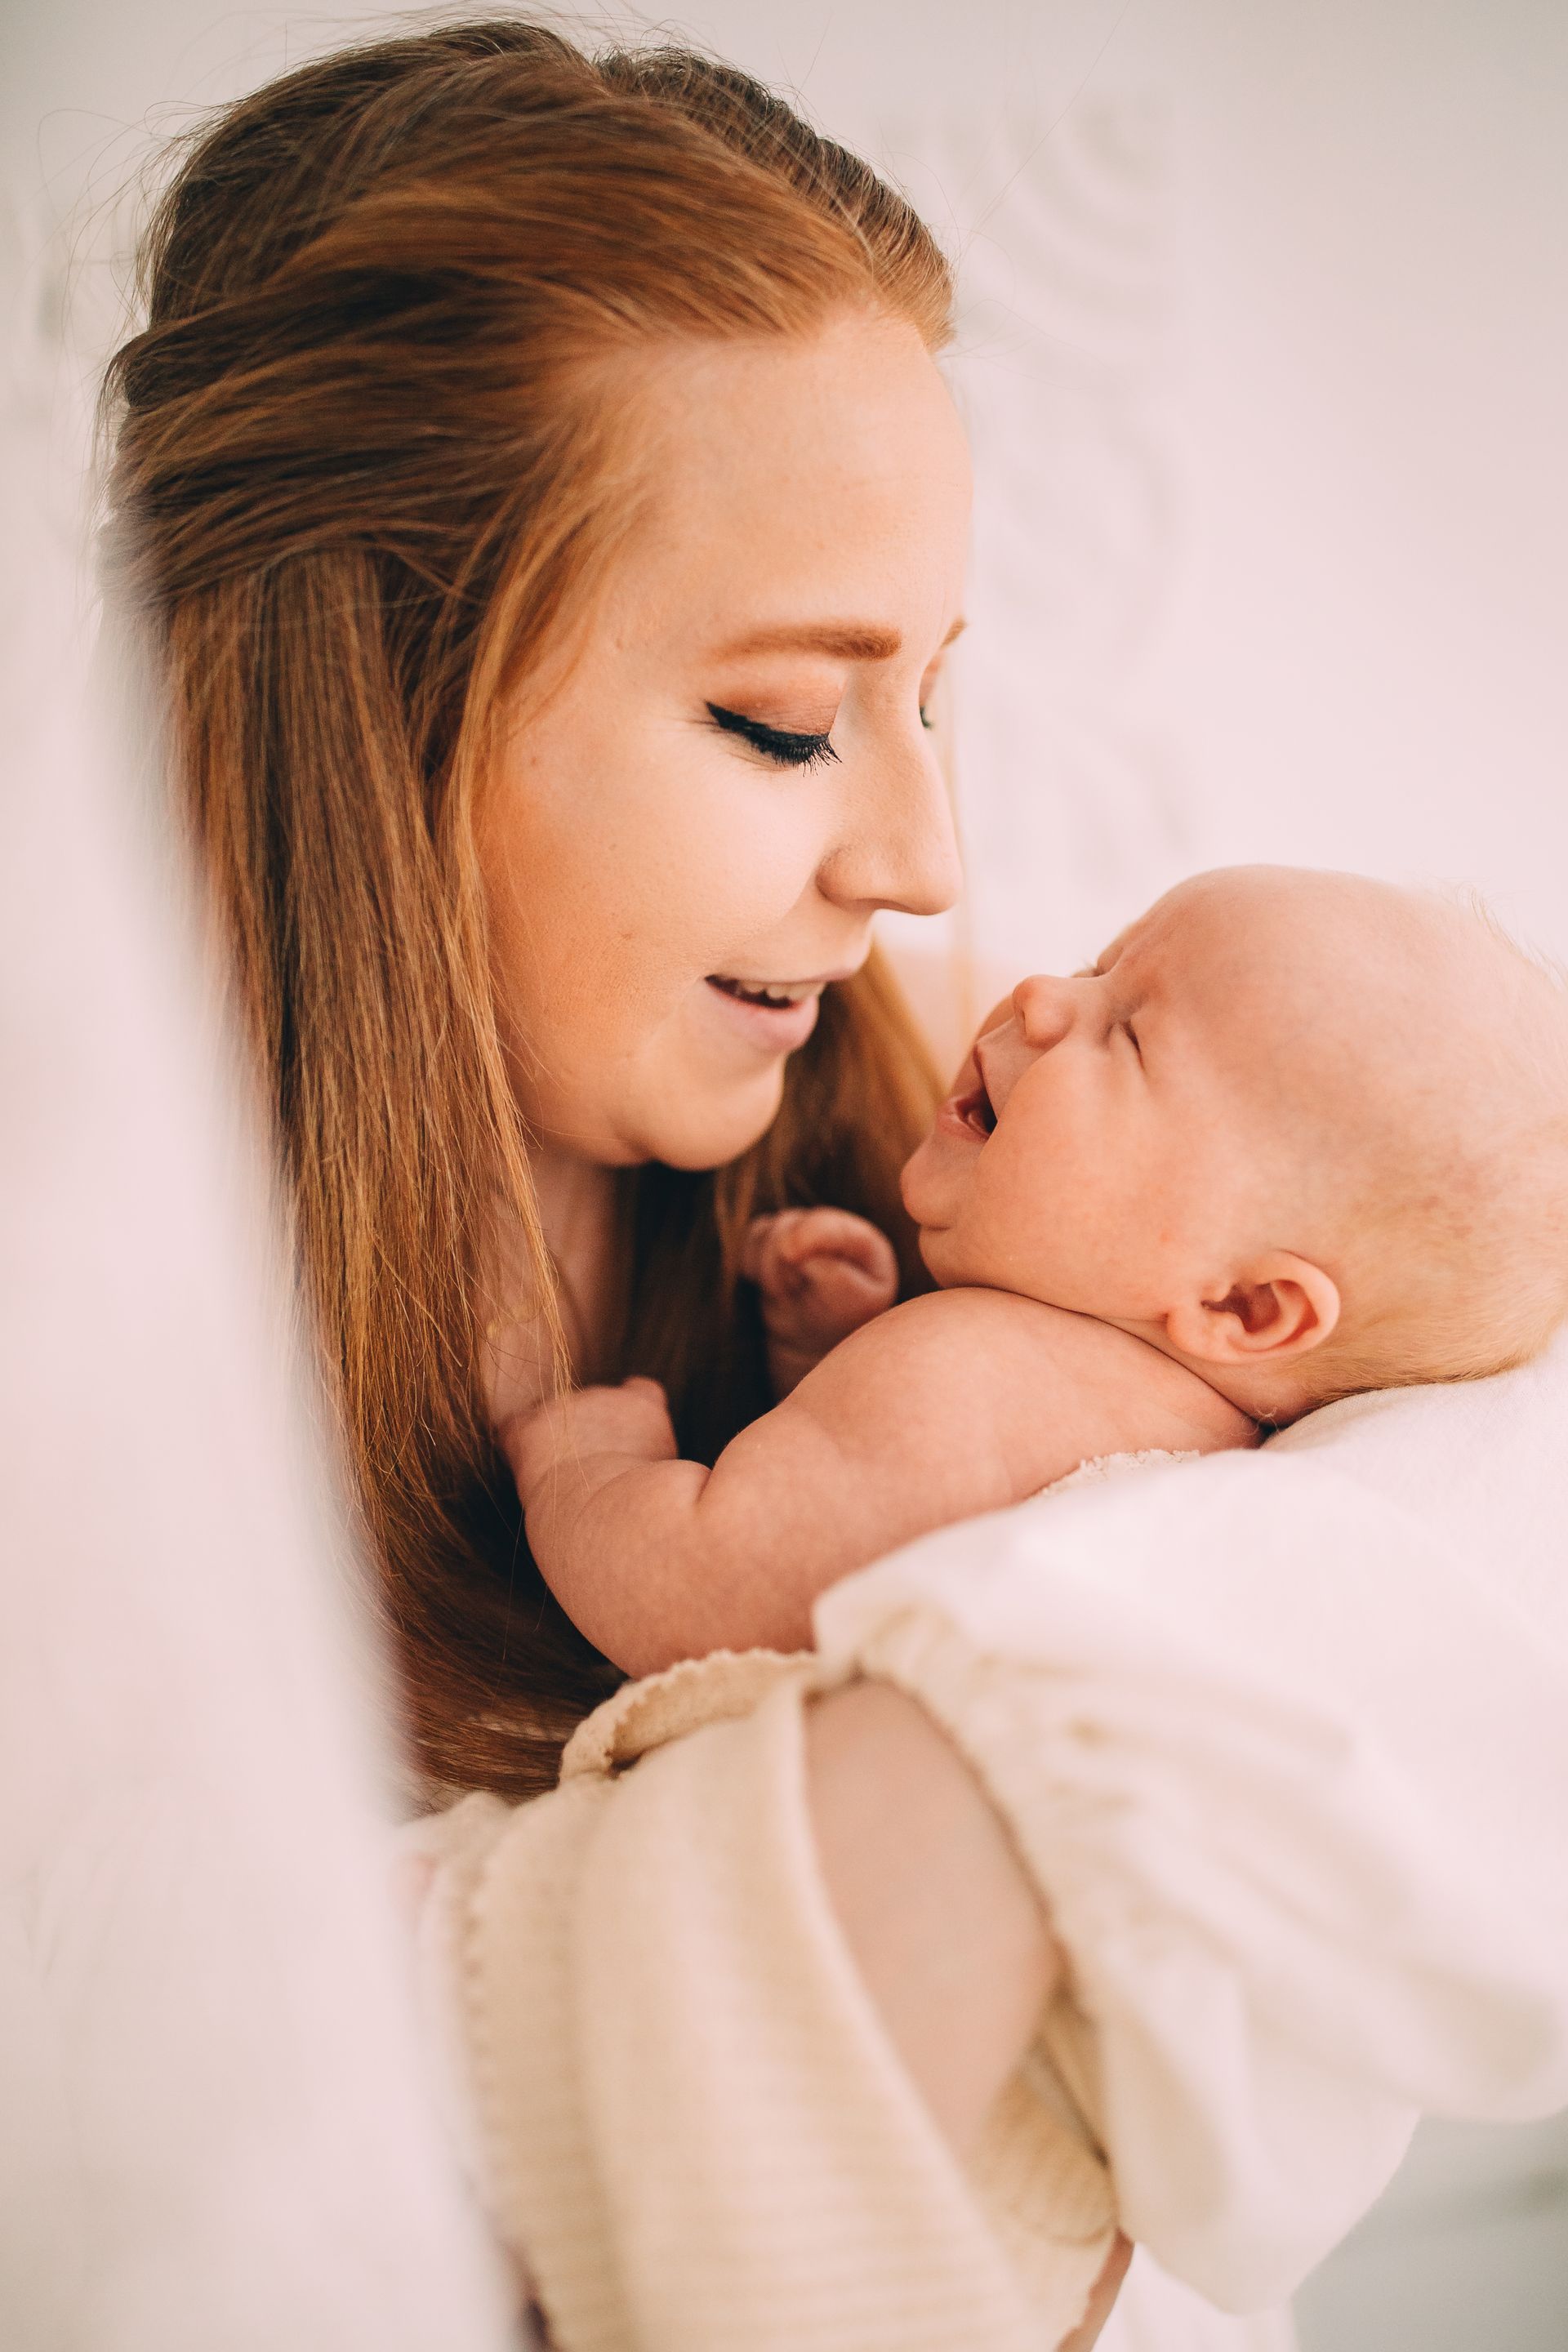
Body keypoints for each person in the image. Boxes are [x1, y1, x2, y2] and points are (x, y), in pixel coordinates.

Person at [104, 22, 1568, 2351]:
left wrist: (965, 1779)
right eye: (788, 722)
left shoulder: (950, 1159)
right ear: (371, 697)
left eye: (935, 698)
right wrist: (948, 1820)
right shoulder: (100, 1390)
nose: (923, 863)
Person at [510, 865, 1568, 1673]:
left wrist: (585, 1471)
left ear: (1245, 1306)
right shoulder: (1158, 1425)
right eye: (1096, 966)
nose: (1043, 996)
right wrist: (840, 1353)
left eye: (1130, 1039)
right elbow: (872, 1524)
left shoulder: (974, 1376)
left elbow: (702, 1595)